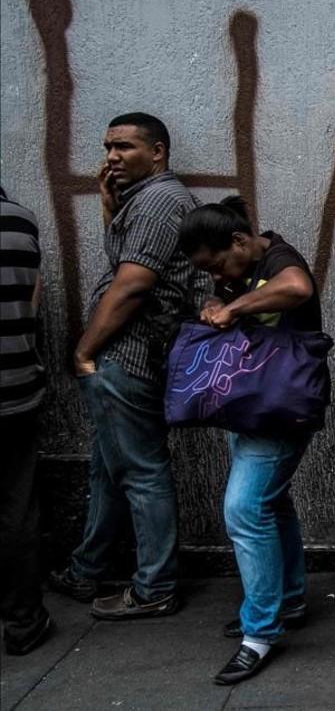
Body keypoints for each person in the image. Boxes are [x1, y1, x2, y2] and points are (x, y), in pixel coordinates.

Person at [48, 113, 204, 620]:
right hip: (127, 357)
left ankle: (154, 586)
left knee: (141, 471)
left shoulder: (159, 203)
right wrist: (112, 206)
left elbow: (133, 283)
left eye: (124, 147)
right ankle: (87, 568)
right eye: (108, 147)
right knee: (109, 469)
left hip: (128, 356)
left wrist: (84, 350)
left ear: (157, 151)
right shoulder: (146, 201)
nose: (111, 156)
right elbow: (126, 260)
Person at [177, 196, 325, 684]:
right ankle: (290, 599)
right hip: (251, 402)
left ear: (241, 241)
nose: (216, 273)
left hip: (279, 407)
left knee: (243, 509)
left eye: (217, 262)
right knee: (271, 503)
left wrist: (235, 305)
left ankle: (259, 633)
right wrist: (222, 302)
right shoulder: (240, 268)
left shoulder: (279, 257)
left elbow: (298, 287)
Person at [0, 187, 51, 655]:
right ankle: (23, 622)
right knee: (16, 507)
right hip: (14, 387)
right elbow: (31, 303)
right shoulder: (20, 220)